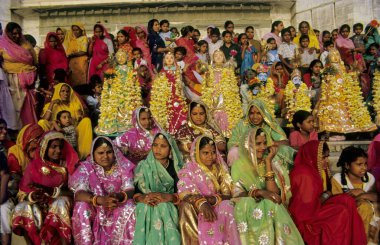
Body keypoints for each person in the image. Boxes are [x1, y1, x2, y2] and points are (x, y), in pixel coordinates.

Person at [231, 128, 304, 244]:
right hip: (248, 207)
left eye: (265, 143)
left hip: (270, 206)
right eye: (258, 144)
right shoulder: (239, 166)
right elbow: (237, 194)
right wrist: (259, 192)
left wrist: (268, 162)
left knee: (271, 203)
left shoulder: (272, 162)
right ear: (247, 145)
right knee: (269, 204)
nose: (263, 147)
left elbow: (274, 193)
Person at [289, 140, 367, 245]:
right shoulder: (304, 174)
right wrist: (327, 194)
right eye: (323, 158)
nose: (327, 160)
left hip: (316, 207)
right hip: (306, 218)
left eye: (327, 157)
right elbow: (307, 208)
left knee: (347, 200)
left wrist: (328, 195)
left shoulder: (317, 169)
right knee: (341, 211)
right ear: (312, 156)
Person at [12, 131, 79, 245]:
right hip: (40, 202)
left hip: (61, 200)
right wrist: (33, 196)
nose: (58, 150)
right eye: (54, 147)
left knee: (60, 204)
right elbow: (22, 192)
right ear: (44, 147)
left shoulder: (67, 165)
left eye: (60, 147)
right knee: (21, 207)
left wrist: (53, 192)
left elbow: (75, 191)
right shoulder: (33, 166)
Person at [70, 136, 136, 244]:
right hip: (95, 206)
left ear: (114, 152)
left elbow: (129, 188)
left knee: (130, 205)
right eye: (100, 153)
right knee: (81, 206)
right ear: (93, 153)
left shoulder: (122, 166)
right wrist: (99, 200)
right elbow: (79, 193)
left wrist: (117, 197)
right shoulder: (86, 167)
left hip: (116, 204)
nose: (105, 156)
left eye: (109, 152)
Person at [177, 135, 241, 244]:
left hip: (217, 204)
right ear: (197, 152)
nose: (210, 156)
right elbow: (184, 192)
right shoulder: (189, 168)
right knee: (185, 206)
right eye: (205, 153)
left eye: (213, 152)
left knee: (228, 205)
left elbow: (228, 194)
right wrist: (202, 203)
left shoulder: (220, 168)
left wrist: (213, 200)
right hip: (197, 207)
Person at [133, 132, 183, 244]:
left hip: (168, 203)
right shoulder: (143, 166)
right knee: (145, 208)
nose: (158, 149)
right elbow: (136, 193)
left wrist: (169, 197)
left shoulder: (176, 167)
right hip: (146, 202)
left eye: (163, 146)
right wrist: (143, 198)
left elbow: (182, 192)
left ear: (171, 149)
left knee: (164, 207)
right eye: (155, 145)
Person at [315, 48, 376, 134]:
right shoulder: (327, 68)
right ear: (329, 57)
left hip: (343, 91)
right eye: (333, 55)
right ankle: (331, 126)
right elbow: (326, 80)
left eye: (337, 55)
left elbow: (346, 77)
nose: (335, 57)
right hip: (332, 92)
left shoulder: (341, 66)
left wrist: (354, 72)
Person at [332, 146, 379, 244]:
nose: (364, 167)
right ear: (347, 165)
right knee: (364, 207)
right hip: (348, 219)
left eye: (365, 164)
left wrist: (361, 194)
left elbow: (376, 197)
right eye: (359, 164)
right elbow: (336, 204)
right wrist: (360, 198)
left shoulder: (369, 178)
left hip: (371, 221)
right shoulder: (337, 180)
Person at [39, 83, 93, 159]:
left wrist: (81, 115)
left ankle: (84, 154)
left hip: (72, 131)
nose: (65, 93)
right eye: (63, 91)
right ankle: (47, 152)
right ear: (58, 92)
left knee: (86, 121)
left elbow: (78, 120)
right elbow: (45, 119)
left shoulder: (74, 104)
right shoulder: (51, 105)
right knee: (42, 122)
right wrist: (52, 104)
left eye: (67, 91)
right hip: (55, 132)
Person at [0, 22, 38, 128]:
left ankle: (28, 131)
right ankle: (14, 131)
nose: (17, 36)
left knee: (26, 108)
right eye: (14, 34)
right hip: (10, 80)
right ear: (7, 33)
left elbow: (35, 62)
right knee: (12, 108)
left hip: (27, 83)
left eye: (18, 33)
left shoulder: (25, 44)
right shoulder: (2, 45)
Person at [201, 50, 243, 138]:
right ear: (213, 59)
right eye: (216, 55)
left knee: (226, 113)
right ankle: (215, 134)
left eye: (221, 55)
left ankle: (227, 135)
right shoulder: (209, 71)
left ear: (224, 58)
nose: (218, 57)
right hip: (213, 97)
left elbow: (233, 87)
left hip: (226, 97)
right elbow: (206, 87)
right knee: (214, 114)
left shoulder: (228, 70)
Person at [150, 52, 187, 135]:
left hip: (176, 97)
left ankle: (178, 131)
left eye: (171, 58)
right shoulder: (161, 73)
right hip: (165, 98)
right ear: (164, 60)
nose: (169, 59)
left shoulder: (178, 72)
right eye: (167, 58)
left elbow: (181, 86)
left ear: (174, 60)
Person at [0, 119, 13, 245]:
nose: (4, 131)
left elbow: (5, 177)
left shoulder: (6, 152)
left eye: (5, 128)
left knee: (4, 213)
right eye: (0, 128)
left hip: (3, 194)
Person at [63, 22, 89, 87]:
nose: (75, 32)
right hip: (72, 63)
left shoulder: (84, 38)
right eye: (74, 30)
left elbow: (84, 51)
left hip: (81, 62)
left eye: (77, 30)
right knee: (73, 82)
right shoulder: (72, 40)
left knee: (82, 81)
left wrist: (72, 55)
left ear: (81, 30)